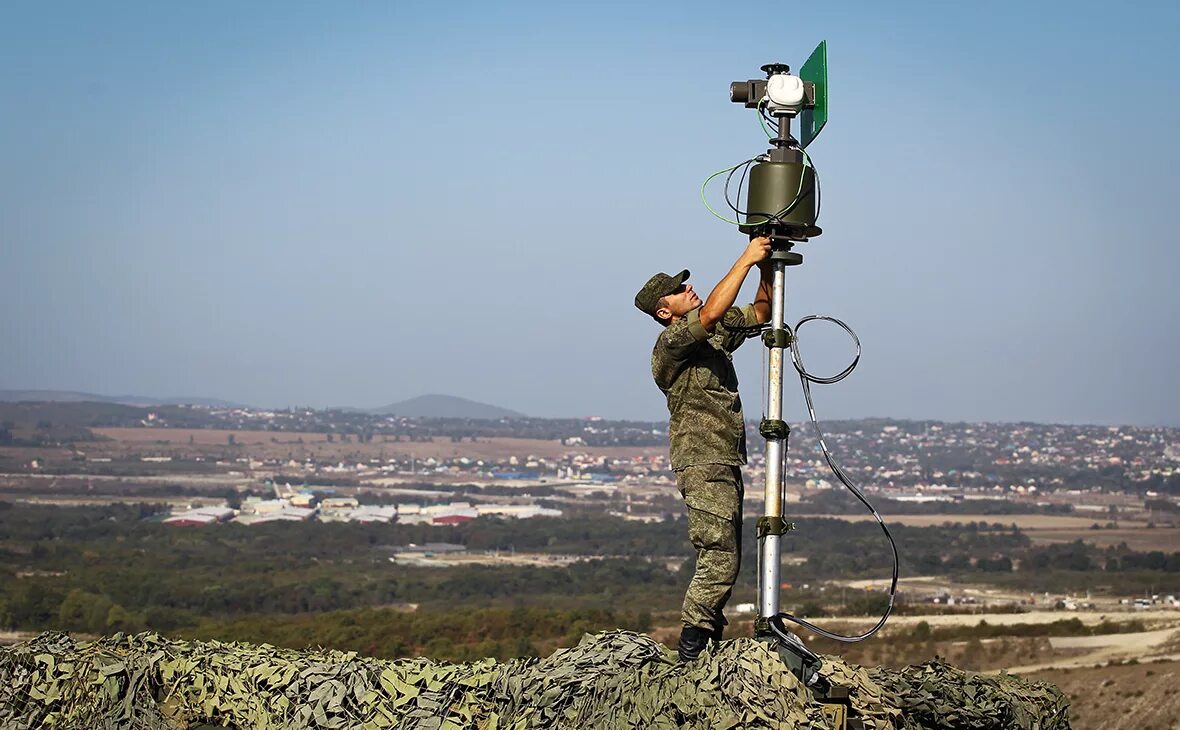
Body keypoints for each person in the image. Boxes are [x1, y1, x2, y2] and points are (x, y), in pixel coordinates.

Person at [633, 236, 773, 662]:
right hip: (702, 458)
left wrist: (767, 263)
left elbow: (763, 311)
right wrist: (746, 257)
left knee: (729, 553)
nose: (687, 289)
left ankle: (706, 636)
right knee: (719, 555)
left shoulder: (710, 340)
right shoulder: (671, 345)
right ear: (664, 310)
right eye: (678, 290)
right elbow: (711, 313)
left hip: (725, 458)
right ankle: (692, 649)